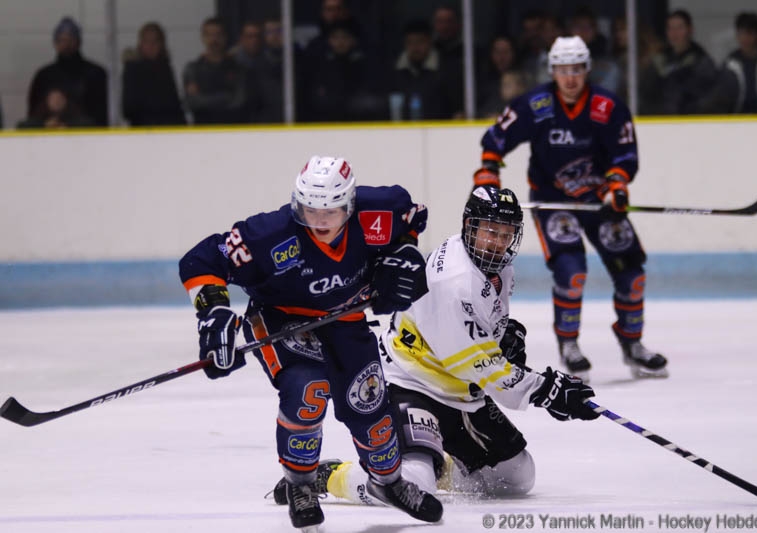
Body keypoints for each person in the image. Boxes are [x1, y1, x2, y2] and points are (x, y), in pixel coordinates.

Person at [268, 185, 599, 506]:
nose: (498, 242)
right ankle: (327, 477)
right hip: (410, 383)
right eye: (490, 232)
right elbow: (478, 365)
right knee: (413, 486)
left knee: (516, 477)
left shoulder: (495, 267)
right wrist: (545, 390)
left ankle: (439, 463)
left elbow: (476, 340)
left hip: (459, 393)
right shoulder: (454, 282)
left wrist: (502, 335)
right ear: (470, 227)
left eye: (505, 234)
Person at [178, 156, 442, 531]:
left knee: (368, 403)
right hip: (283, 321)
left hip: (345, 320)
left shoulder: (379, 212)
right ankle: (300, 484)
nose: (319, 220)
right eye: (309, 209)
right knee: (308, 390)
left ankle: (388, 483)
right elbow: (201, 260)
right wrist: (214, 313)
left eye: (331, 211)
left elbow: (412, 220)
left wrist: (404, 254)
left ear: (349, 205)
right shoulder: (269, 235)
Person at [472, 36, 668, 382]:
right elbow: (497, 138)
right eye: (563, 70)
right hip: (554, 201)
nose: (571, 78)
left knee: (632, 274)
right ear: (553, 71)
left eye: (577, 69)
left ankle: (632, 342)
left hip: (599, 202)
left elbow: (625, 153)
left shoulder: (607, 106)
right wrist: (489, 170)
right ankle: (569, 345)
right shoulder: (537, 104)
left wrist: (618, 184)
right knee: (571, 270)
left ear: (587, 69)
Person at [27, 16, 108, 126]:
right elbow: (32, 114)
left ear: (78, 42)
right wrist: (46, 123)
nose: (66, 44)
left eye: (70, 40)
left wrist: (70, 122)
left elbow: (100, 116)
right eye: (61, 40)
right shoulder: (44, 76)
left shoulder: (95, 74)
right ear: (55, 43)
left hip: (86, 136)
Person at [183, 17, 247, 124]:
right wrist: (225, 96)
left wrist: (204, 98)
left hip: (232, 130)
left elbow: (239, 102)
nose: (214, 40)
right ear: (202, 38)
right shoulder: (193, 69)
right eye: (209, 35)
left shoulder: (238, 69)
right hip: (203, 131)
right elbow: (191, 103)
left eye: (218, 35)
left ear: (225, 37)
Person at [122, 22, 186, 126]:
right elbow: (128, 108)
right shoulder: (132, 69)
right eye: (147, 41)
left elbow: (174, 105)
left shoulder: (165, 68)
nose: (150, 46)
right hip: (142, 129)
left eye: (155, 41)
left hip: (167, 129)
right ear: (140, 44)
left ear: (161, 44)